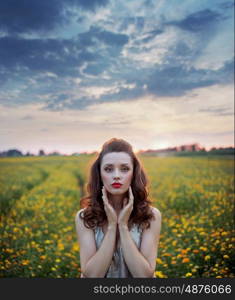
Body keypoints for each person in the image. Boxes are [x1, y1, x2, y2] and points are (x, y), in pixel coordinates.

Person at [75, 138, 162, 278]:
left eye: (124, 169)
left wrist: (122, 225)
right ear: (99, 174)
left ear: (134, 174)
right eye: (108, 169)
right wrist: (111, 226)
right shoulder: (84, 217)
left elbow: (144, 276)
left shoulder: (151, 216)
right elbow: (92, 275)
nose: (116, 176)